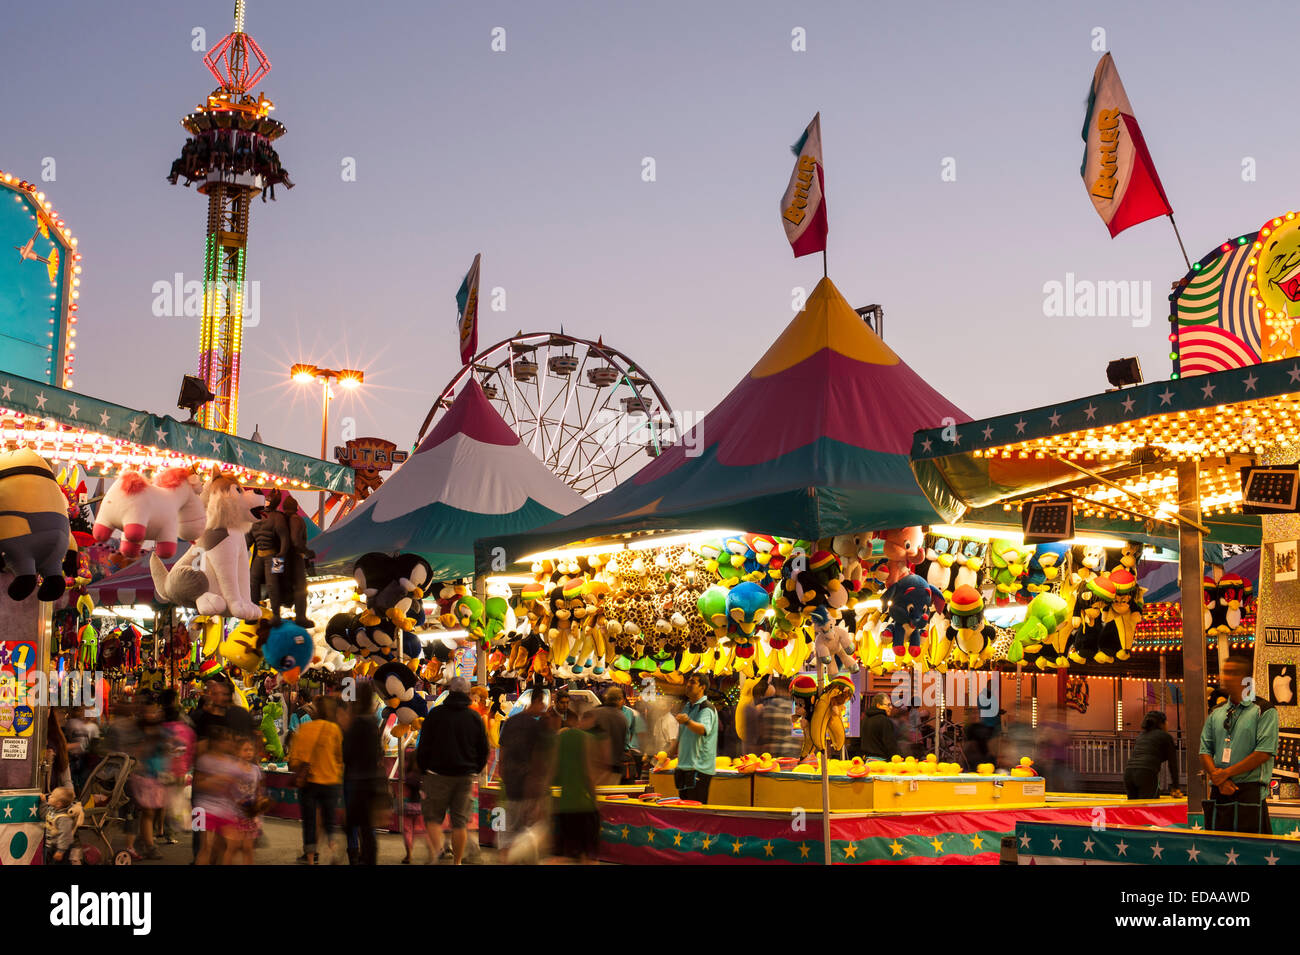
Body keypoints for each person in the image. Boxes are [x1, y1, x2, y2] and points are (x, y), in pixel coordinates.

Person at [1199, 655, 1278, 834]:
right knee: (1217, 852)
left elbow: (1263, 753)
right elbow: (1204, 750)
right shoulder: (1216, 713)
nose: (1227, 678)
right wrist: (1218, 778)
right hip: (1219, 791)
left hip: (1249, 792)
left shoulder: (1264, 710)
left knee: (1253, 853)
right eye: (1225, 673)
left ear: (1247, 679)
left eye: (1233, 673)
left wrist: (1225, 774)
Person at [416, 676, 488, 865]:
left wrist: (424, 769)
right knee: (460, 823)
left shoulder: (436, 714)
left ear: (449, 691)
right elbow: (484, 749)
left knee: (432, 818)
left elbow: (423, 745)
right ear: (466, 693)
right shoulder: (474, 717)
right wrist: (474, 768)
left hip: (437, 775)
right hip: (464, 776)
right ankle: (457, 862)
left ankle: (438, 852)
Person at [288, 694, 344, 865]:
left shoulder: (304, 729)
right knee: (328, 820)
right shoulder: (334, 730)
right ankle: (333, 848)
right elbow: (339, 757)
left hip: (309, 783)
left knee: (310, 822)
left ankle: (311, 859)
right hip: (330, 781)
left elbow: (294, 760)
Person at [498, 689, 553, 847]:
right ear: (535, 701)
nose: (543, 706)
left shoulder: (511, 722)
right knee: (526, 830)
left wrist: (502, 770)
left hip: (510, 780)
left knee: (508, 831)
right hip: (527, 783)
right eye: (542, 702)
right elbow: (539, 756)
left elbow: (503, 749)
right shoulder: (534, 726)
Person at [342, 682, 384, 865]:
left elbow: (347, 754)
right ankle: (368, 858)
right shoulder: (373, 722)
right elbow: (378, 752)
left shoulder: (356, 723)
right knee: (368, 828)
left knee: (352, 823)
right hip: (372, 780)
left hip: (356, 780)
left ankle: (354, 854)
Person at [551, 709, 599, 864]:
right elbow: (589, 772)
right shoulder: (586, 738)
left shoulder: (559, 739)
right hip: (583, 804)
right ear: (579, 720)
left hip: (565, 804)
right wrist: (595, 798)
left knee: (567, 856)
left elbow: (552, 771)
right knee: (588, 857)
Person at [193, 727, 241, 865]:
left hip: (226, 810)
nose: (230, 743)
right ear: (216, 742)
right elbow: (197, 784)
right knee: (205, 847)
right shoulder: (204, 760)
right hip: (202, 809)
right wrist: (218, 781)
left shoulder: (232, 761)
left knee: (224, 848)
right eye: (226, 740)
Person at [669, 673, 718, 802]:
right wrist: (667, 756)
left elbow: (703, 729)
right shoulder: (687, 706)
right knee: (685, 810)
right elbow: (681, 736)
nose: (688, 685)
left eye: (692, 682)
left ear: (702, 687)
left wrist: (687, 721)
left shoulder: (706, 708)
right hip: (684, 767)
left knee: (695, 812)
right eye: (688, 682)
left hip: (699, 768)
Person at [224, 736, 264, 864]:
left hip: (250, 815)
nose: (248, 753)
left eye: (251, 750)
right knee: (232, 848)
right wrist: (236, 801)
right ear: (237, 751)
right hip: (233, 814)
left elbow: (258, 790)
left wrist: (259, 803)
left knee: (248, 849)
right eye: (245, 750)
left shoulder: (255, 769)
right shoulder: (232, 769)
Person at [1124, 710, 1182, 799]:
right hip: (1146, 774)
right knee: (1149, 808)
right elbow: (1172, 764)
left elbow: (1149, 754)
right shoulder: (1165, 736)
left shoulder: (1141, 736)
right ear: (1162, 723)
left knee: (1133, 809)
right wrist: (1176, 787)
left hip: (1128, 773)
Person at [400, 746, 437, 864]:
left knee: (407, 830)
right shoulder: (425, 775)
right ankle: (432, 852)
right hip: (422, 807)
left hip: (409, 806)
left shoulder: (408, 774)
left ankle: (409, 855)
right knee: (424, 831)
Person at [590, 687, 629, 787]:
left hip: (595, 767)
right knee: (609, 799)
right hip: (614, 769)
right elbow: (624, 744)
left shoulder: (595, 713)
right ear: (619, 699)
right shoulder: (622, 718)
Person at [757, 677, 799, 757]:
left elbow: (765, 733)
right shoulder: (795, 708)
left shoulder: (769, 705)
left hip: (774, 753)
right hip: (793, 752)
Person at [41, 786, 83, 865]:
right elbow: (44, 814)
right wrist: (43, 802)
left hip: (58, 848)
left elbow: (65, 835)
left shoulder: (63, 818)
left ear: (58, 804)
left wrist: (61, 851)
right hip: (49, 845)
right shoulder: (52, 810)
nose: (49, 796)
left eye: (52, 796)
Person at [860, 693, 900, 760]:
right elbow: (890, 744)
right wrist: (895, 758)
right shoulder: (885, 721)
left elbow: (857, 742)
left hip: (866, 761)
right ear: (878, 705)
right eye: (888, 705)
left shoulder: (864, 719)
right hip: (881, 762)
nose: (891, 707)